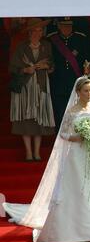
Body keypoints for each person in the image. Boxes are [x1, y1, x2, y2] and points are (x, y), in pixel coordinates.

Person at [3, 77, 90, 242]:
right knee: (76, 191)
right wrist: (75, 138)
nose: (89, 94)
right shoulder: (71, 112)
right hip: (75, 156)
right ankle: (76, 234)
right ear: (78, 92)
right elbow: (62, 134)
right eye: (86, 91)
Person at [9, 18, 55, 161]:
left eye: (40, 30)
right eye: (35, 30)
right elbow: (12, 68)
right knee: (25, 120)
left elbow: (52, 63)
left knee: (39, 119)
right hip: (25, 88)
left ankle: (37, 152)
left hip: (41, 87)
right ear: (29, 32)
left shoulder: (46, 46)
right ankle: (29, 152)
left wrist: (47, 66)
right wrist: (25, 69)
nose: (37, 33)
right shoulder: (21, 47)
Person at [47, 17, 90, 131]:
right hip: (58, 82)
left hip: (75, 81)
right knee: (60, 111)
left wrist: (88, 69)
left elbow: (88, 59)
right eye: (64, 25)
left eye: (69, 25)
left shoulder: (80, 38)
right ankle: (60, 136)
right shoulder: (51, 40)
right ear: (59, 26)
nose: (67, 28)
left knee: (77, 110)